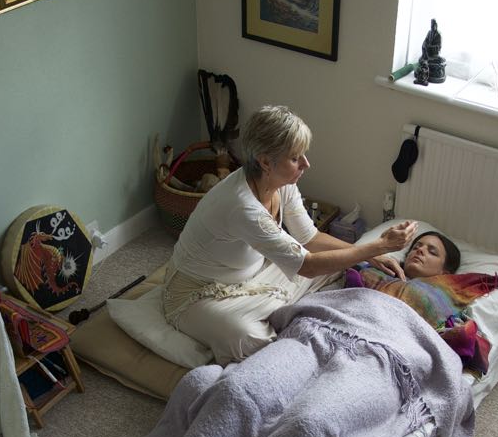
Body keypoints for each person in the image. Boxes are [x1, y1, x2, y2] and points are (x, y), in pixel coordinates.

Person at [163, 105, 418, 363]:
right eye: (296, 158)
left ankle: (282, 315)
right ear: (265, 161)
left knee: (338, 264)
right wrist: (378, 247)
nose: (306, 164)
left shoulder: (278, 182)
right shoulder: (242, 206)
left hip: (253, 271)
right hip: (197, 293)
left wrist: (370, 256)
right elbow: (307, 266)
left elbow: (310, 237)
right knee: (247, 337)